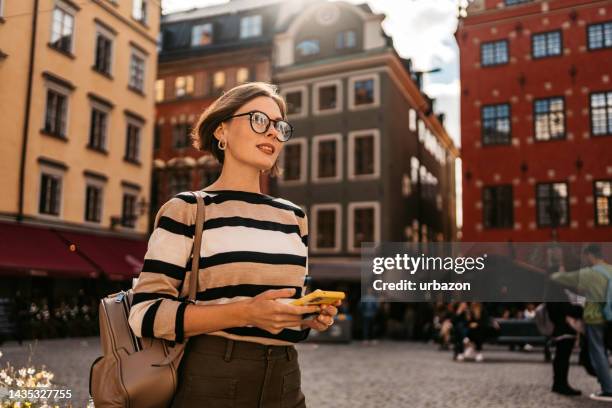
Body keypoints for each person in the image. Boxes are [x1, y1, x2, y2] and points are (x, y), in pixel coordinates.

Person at [128, 82, 341, 407]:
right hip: (212, 379)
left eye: (280, 127)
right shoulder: (187, 209)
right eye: (259, 120)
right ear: (222, 130)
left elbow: (283, 314)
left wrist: (306, 318)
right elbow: (144, 313)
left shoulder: (294, 217)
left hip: (286, 380)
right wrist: (246, 313)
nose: (272, 133)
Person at [551, 244, 612, 402]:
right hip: (610, 316)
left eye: (585, 257)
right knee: (605, 351)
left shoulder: (590, 273)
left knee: (598, 353)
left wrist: (558, 272)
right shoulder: (610, 270)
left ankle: (608, 389)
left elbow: (560, 278)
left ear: (590, 255)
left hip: (595, 317)